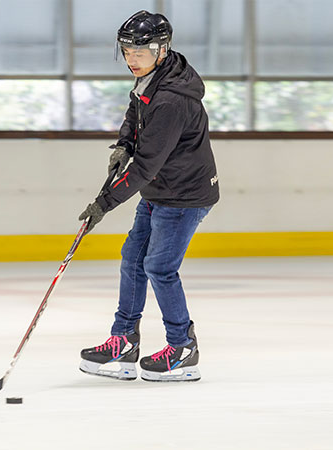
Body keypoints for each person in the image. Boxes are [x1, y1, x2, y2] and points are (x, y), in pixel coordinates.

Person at [77, 10, 219, 382]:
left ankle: (183, 347)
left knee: (159, 266)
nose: (131, 59)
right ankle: (123, 341)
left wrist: (103, 204)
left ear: (162, 49)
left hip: (185, 194)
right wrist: (124, 143)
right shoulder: (152, 77)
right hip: (162, 188)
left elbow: (144, 168)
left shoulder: (173, 99)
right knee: (132, 258)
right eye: (126, 51)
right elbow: (134, 110)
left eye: (139, 52)